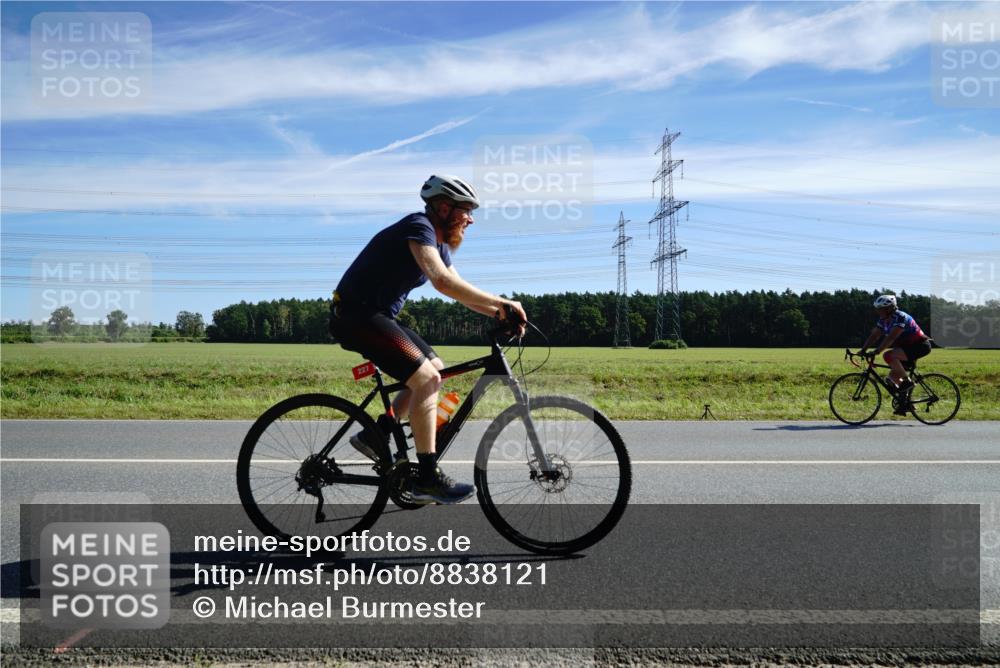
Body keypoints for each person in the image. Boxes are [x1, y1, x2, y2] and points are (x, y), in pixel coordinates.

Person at [329, 175, 527, 504]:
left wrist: (500, 312)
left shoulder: (439, 244)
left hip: (375, 315)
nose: (471, 219)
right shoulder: (418, 227)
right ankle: (427, 479)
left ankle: (377, 434)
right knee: (427, 379)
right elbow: (441, 282)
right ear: (444, 208)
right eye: (466, 210)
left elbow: (458, 290)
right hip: (355, 315)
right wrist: (502, 303)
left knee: (436, 368)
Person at [856, 294, 932, 414]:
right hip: (906, 348)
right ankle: (905, 404)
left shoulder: (900, 317)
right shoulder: (883, 320)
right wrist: (863, 350)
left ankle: (907, 381)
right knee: (891, 379)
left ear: (889, 308)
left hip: (920, 346)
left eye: (881, 309)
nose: (878, 312)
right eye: (877, 309)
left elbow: (891, 338)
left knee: (888, 355)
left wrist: (877, 351)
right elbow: (875, 335)